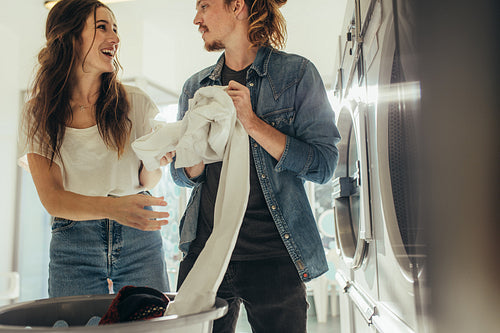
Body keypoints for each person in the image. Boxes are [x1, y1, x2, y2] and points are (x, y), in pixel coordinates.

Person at [171, 0, 341, 332]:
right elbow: (182, 177)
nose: (196, 18)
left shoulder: (297, 75)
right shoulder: (196, 88)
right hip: (205, 254)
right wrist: (194, 156)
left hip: (274, 259)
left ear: (237, 6)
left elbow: (324, 165)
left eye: (204, 6)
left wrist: (252, 123)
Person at [19, 0, 172, 298]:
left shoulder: (135, 101)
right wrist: (115, 208)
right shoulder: (37, 112)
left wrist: (157, 161)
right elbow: (53, 198)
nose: (115, 38)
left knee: (150, 326)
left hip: (138, 234)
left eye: (115, 29)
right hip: (73, 241)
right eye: (102, 27)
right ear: (70, 37)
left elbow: (145, 181)